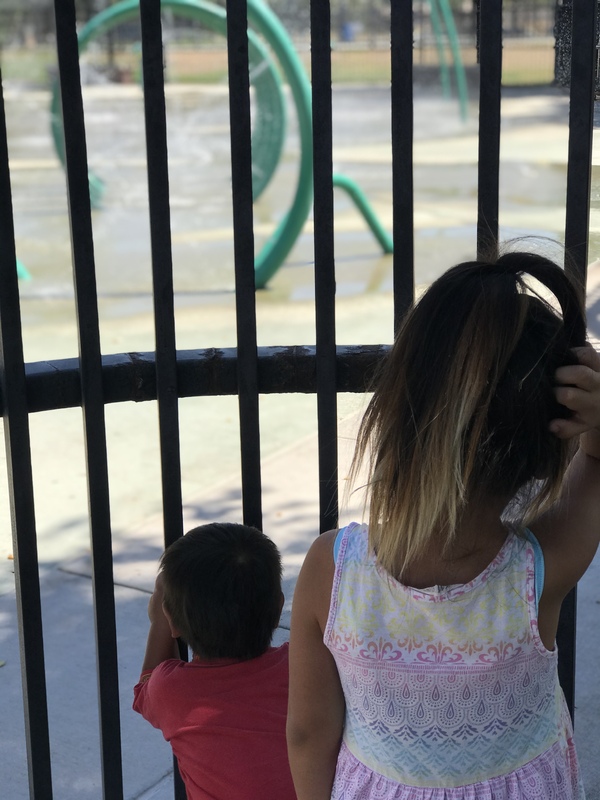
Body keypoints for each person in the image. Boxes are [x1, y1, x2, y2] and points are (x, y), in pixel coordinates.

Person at [287, 252, 600, 799]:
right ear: (545, 451)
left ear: (394, 409)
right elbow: (597, 463)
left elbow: (308, 733)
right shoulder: (540, 572)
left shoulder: (331, 571)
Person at [133, 522, 296, 800]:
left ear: (173, 621)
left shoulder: (173, 692)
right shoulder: (302, 667)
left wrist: (161, 617)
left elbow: (146, 686)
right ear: (279, 607)